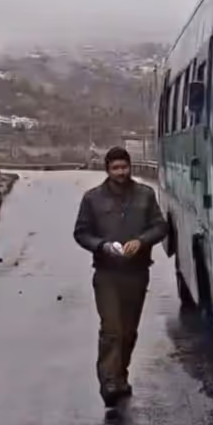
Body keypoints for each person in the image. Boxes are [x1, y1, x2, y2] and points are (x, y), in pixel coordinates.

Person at [72, 147, 166, 408]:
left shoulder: (145, 196)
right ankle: (109, 382)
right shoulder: (92, 199)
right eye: (115, 168)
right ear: (108, 170)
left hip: (137, 273)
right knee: (112, 329)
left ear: (130, 167)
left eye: (124, 167)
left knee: (128, 331)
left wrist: (141, 241)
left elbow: (160, 226)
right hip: (107, 274)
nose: (120, 172)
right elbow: (81, 233)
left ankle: (121, 374)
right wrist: (101, 245)